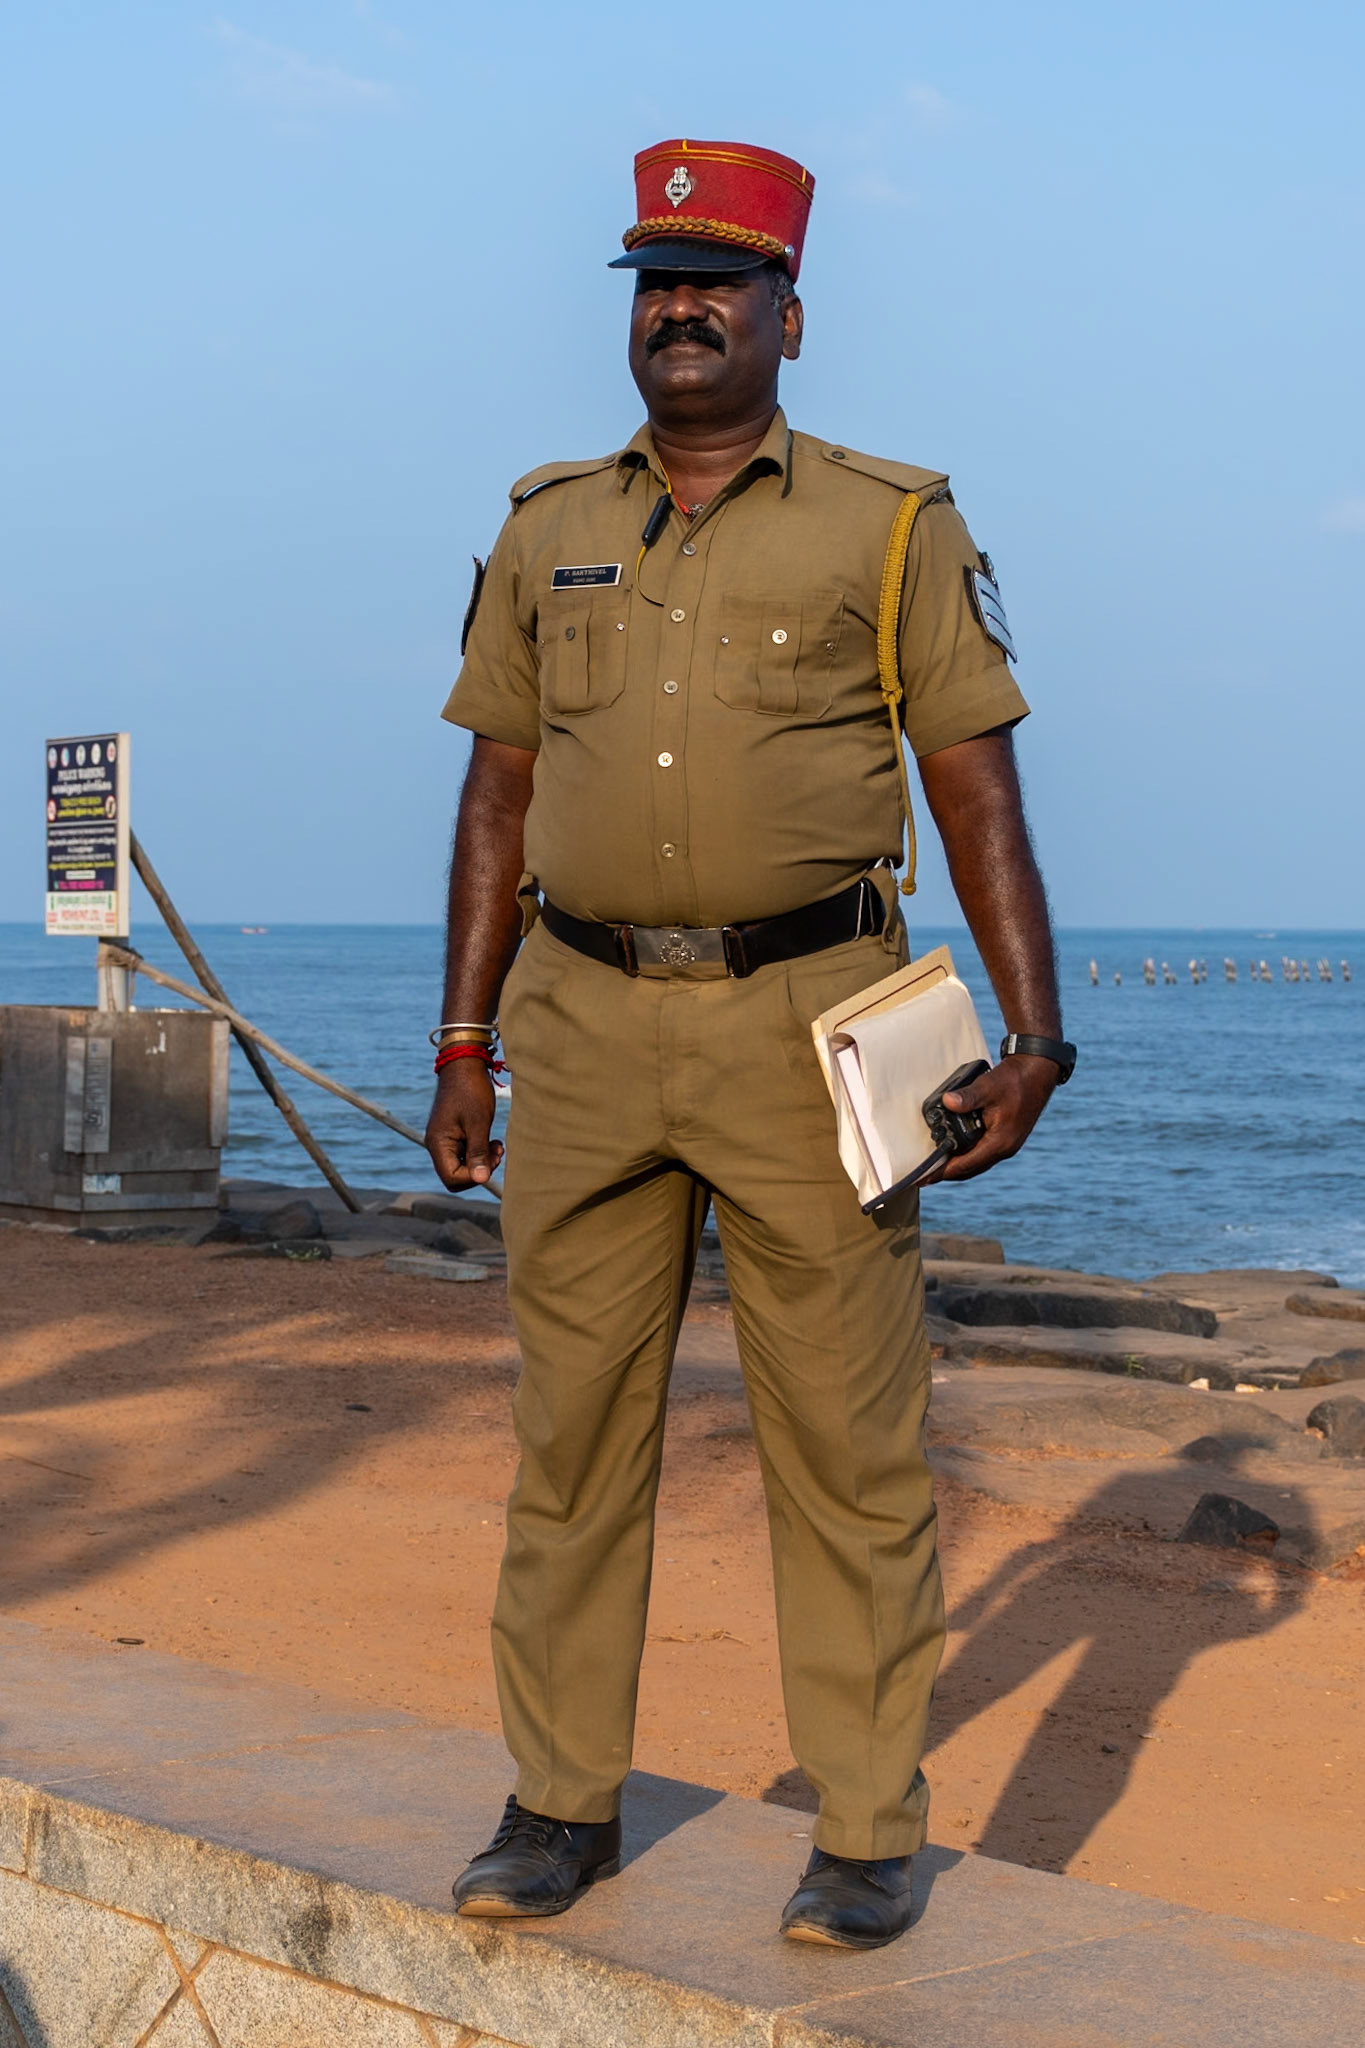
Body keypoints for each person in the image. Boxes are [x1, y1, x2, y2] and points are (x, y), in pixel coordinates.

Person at [426, 136, 1073, 1951]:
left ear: (791, 313)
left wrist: (1034, 1035)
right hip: (576, 1019)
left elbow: (977, 796)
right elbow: (494, 797)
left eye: (717, 282)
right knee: (570, 1441)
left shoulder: (888, 524)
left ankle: (865, 1831)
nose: (682, 310)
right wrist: (462, 1038)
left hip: (811, 1030)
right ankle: (557, 1806)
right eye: (656, 283)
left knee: (850, 1446)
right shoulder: (548, 522)